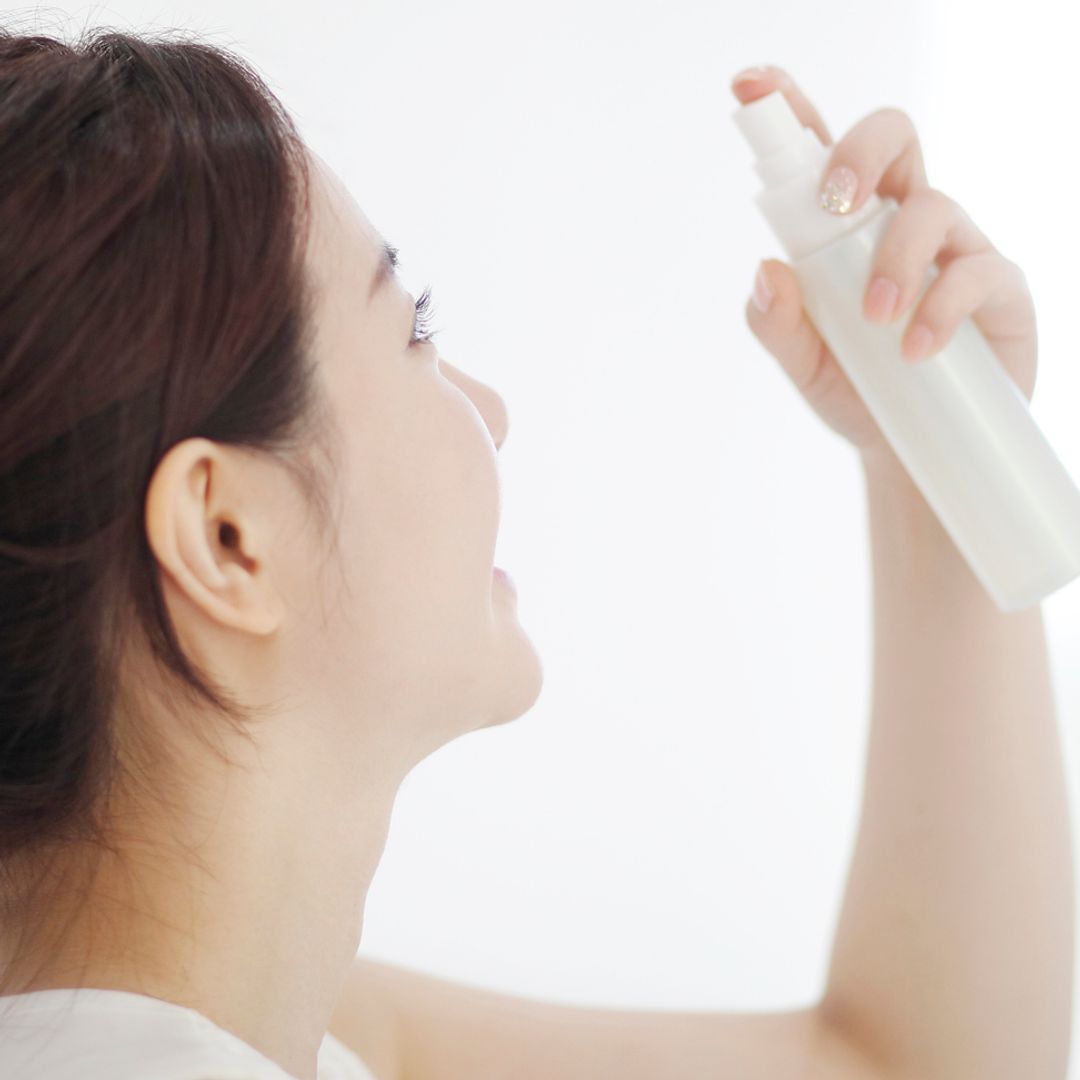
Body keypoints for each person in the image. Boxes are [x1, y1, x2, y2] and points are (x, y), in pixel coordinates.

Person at [0, 25, 1070, 1080]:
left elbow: (907, 1065)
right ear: (228, 540)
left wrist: (938, 462)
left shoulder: (255, 1021)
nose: (493, 412)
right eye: (416, 327)